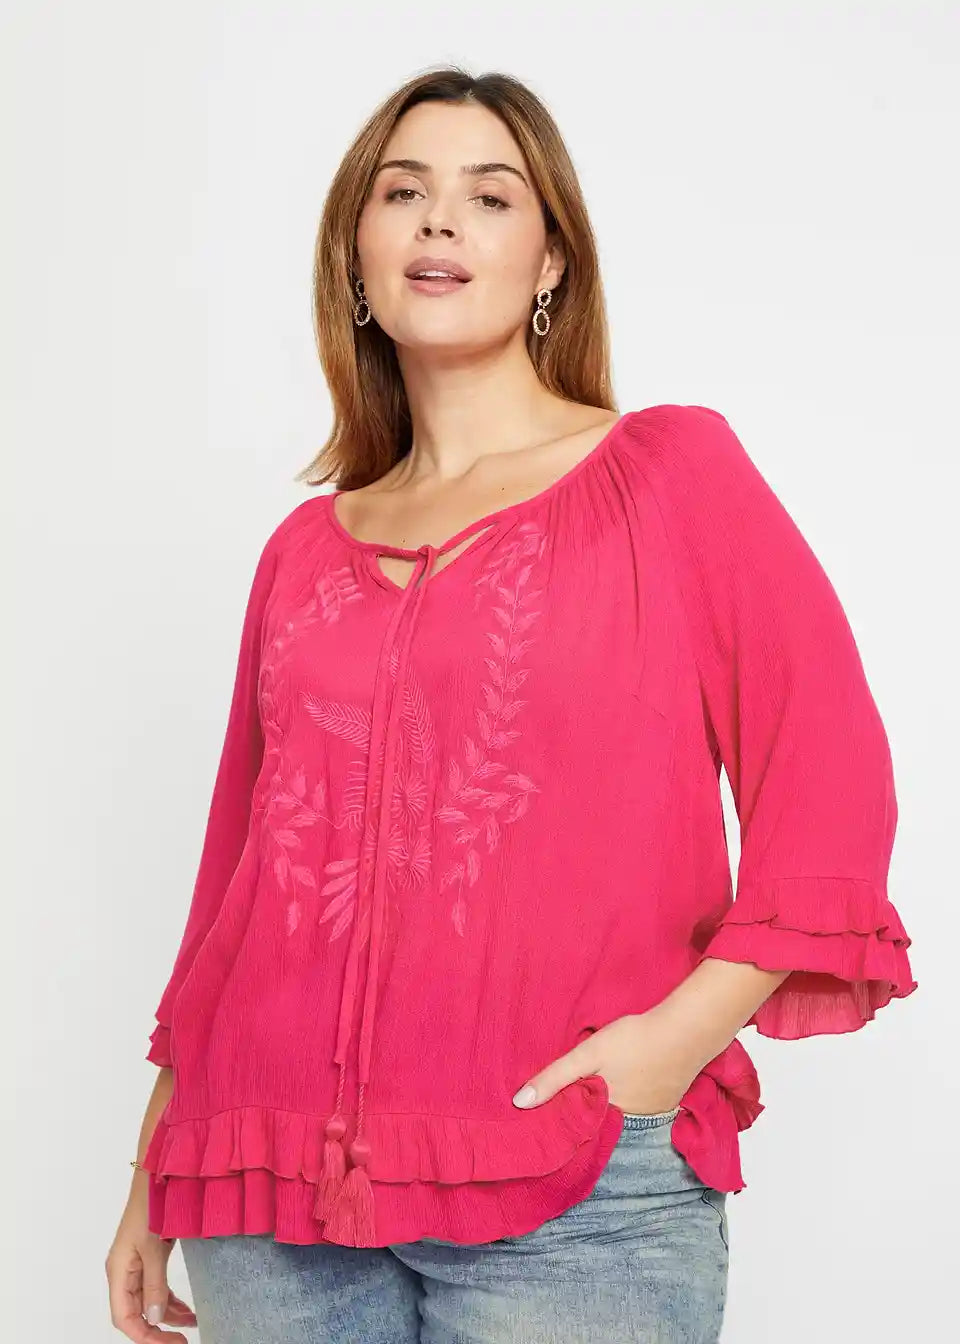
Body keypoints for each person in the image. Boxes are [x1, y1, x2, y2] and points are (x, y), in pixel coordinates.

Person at [105, 66, 917, 1344]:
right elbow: (236, 882)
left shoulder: (670, 477)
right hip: (265, 1191)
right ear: (356, 256)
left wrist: (676, 1043)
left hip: (577, 1187)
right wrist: (159, 1155)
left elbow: (829, 777)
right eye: (403, 192)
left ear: (550, 264)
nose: (440, 219)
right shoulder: (304, 551)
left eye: (489, 196)